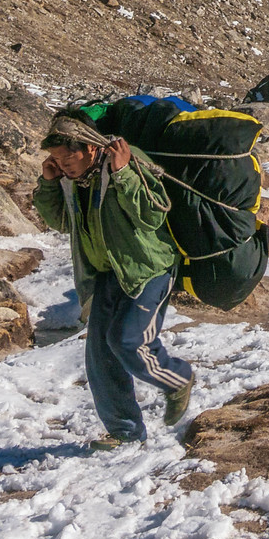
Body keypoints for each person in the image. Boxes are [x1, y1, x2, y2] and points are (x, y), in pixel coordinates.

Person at [32, 111, 194, 449]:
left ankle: (177, 378)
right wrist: (49, 185)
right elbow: (63, 222)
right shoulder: (74, 181)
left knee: (127, 341)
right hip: (106, 274)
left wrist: (123, 174)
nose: (64, 165)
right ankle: (125, 431)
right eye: (57, 160)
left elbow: (152, 215)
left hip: (148, 269)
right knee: (100, 357)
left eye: (68, 157)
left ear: (90, 148)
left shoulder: (128, 162)